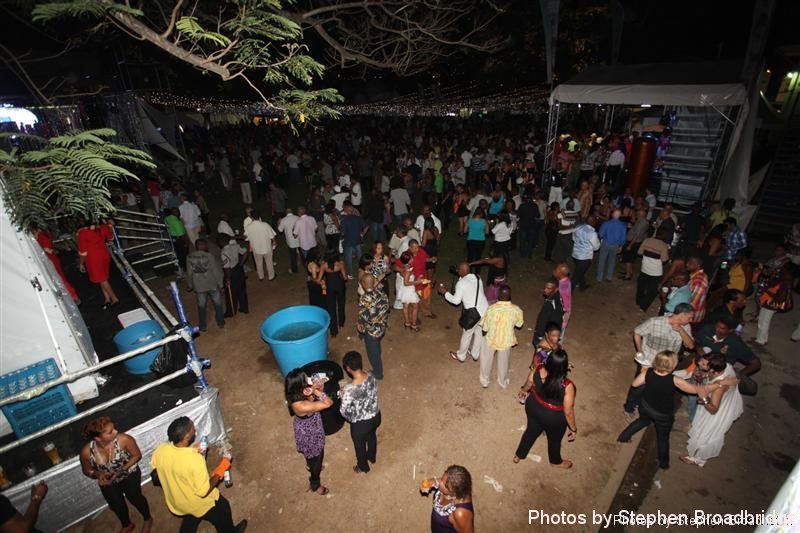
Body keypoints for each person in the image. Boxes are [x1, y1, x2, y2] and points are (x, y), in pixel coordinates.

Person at [617, 350, 734, 470]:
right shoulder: (675, 380)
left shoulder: (648, 372)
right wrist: (720, 384)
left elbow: (635, 384)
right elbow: (697, 390)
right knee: (662, 438)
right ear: (673, 365)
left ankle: (623, 437)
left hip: (645, 406)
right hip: (662, 414)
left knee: (642, 420)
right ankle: (663, 463)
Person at [151, 417, 246, 532]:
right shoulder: (194, 459)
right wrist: (223, 466)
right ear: (187, 436)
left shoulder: (161, 449)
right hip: (197, 502)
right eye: (192, 428)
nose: (195, 429)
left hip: (177, 501)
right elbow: (203, 491)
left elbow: (156, 472)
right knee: (222, 508)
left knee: (191, 517)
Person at [623, 303, 696, 420]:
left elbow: (691, 346)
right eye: (689, 317)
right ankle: (629, 408)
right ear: (682, 315)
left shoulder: (685, 327)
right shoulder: (655, 322)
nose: (691, 320)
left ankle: (643, 406)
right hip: (648, 362)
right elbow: (637, 332)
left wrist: (681, 331)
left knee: (653, 387)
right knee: (639, 386)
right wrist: (640, 351)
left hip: (667, 366)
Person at [79, 416, 152, 533]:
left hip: (129, 473)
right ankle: (127, 525)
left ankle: (148, 519)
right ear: (97, 438)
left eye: (114, 428)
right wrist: (97, 474)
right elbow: (87, 470)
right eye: (110, 432)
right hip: (109, 480)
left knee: (135, 497)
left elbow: (137, 455)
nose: (116, 432)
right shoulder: (87, 452)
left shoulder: (124, 439)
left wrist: (121, 470)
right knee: (116, 504)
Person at [514, 349, 576, 469]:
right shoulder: (567, 386)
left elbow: (528, 383)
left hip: (533, 407)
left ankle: (518, 455)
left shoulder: (538, 369)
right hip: (553, 418)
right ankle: (555, 461)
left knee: (531, 431)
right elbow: (568, 411)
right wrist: (573, 429)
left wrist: (523, 390)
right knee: (554, 440)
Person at [681, 354, 744, 467]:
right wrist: (704, 376)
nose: (699, 363)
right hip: (722, 402)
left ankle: (698, 459)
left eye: (704, 364)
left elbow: (713, 409)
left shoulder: (718, 388)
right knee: (705, 432)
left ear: (713, 371)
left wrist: (704, 398)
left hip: (716, 412)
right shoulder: (725, 366)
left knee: (706, 434)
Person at [284, 370, 333, 495]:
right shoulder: (301, 405)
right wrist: (316, 391)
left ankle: (310, 464)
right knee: (317, 455)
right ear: (300, 385)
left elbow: (312, 400)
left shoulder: (294, 393)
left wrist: (316, 389)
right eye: (306, 380)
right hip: (309, 430)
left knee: (310, 454)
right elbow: (328, 403)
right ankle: (315, 483)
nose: (309, 380)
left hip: (306, 424)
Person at [340, 351, 382, 473]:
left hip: (361, 425)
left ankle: (363, 467)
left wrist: (342, 396)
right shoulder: (371, 375)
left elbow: (344, 413)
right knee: (372, 436)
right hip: (376, 416)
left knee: (359, 447)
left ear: (348, 369)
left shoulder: (349, 390)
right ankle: (372, 457)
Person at [438, 262, 489, 363]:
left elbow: (456, 301)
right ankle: (475, 354)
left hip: (473, 314)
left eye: (458, 269)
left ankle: (461, 356)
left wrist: (445, 293)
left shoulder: (461, 284)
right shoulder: (477, 277)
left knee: (467, 335)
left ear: (461, 271)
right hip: (485, 310)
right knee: (479, 332)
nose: (457, 270)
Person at [478, 285, 524, 389]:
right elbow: (519, 324)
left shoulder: (491, 309)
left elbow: (485, 327)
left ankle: (485, 380)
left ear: (498, 295)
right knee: (504, 363)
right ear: (510, 295)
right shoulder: (516, 310)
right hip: (506, 340)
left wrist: (484, 333)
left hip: (491, 339)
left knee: (486, 360)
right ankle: (502, 381)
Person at [695, 317, 762, 377]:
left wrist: (738, 376)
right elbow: (695, 341)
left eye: (722, 328)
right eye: (717, 326)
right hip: (700, 364)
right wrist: (698, 348)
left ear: (730, 330)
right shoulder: (707, 329)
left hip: (717, 372)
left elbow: (756, 364)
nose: (717, 329)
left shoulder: (735, 343)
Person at [77, 219, 119, 309]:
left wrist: (81, 263)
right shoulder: (103, 227)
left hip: (93, 259)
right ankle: (107, 299)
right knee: (102, 278)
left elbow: (83, 253)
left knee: (102, 279)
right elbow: (111, 238)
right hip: (104, 255)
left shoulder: (83, 233)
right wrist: (110, 227)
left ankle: (114, 299)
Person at [419, 465, 474, 533]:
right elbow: (438, 482)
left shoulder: (460, 513)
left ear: (454, 493)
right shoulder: (451, 482)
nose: (439, 483)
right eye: (442, 478)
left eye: (445, 485)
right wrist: (429, 483)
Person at [186, 238, 225, 332]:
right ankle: (220, 322)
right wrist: (220, 284)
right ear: (202, 246)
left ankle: (203, 325)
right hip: (211, 284)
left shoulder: (189, 257)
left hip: (199, 286)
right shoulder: (209, 256)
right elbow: (216, 271)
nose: (207, 246)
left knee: (201, 306)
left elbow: (189, 273)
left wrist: (190, 285)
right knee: (217, 304)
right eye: (205, 245)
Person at [33, 225, 80, 303]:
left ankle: (73, 296)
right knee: (61, 277)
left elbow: (47, 249)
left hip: (50, 260)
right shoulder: (45, 234)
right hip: (53, 259)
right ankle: (72, 296)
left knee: (60, 278)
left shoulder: (41, 236)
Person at [356, 275, 390, 379]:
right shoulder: (382, 293)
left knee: (372, 353)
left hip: (371, 330)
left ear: (363, 284)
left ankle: (378, 373)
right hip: (381, 327)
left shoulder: (364, 298)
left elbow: (365, 316)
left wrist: (359, 323)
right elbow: (386, 309)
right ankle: (377, 352)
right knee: (376, 346)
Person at [635, 230, 670, 312]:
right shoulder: (663, 245)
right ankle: (643, 306)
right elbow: (664, 259)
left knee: (641, 285)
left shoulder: (647, 240)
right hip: (655, 272)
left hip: (644, 268)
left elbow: (639, 252)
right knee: (653, 290)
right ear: (664, 235)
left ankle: (638, 301)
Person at [218, 235, 249, 316]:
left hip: (231, 272)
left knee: (231, 293)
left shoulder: (223, 252)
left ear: (221, 242)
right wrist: (241, 263)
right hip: (239, 269)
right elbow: (245, 252)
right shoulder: (235, 246)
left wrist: (228, 278)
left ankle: (231, 312)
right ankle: (244, 308)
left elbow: (227, 267)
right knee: (241, 289)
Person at [243, 211, 277, 281]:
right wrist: (274, 241)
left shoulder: (249, 227)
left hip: (256, 249)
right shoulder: (265, 225)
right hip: (267, 247)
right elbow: (272, 235)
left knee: (258, 263)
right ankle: (271, 276)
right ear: (259, 217)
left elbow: (246, 238)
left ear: (251, 217)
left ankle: (261, 277)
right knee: (269, 262)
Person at [321, 250, 347, 337]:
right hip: (340, 286)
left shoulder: (324, 265)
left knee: (331, 308)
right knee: (341, 305)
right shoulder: (340, 264)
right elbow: (345, 277)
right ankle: (341, 324)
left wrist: (322, 282)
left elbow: (318, 279)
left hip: (330, 287)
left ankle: (334, 332)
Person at [596, 209, 627, 283]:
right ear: (620, 216)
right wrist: (621, 246)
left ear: (612, 214)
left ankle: (599, 278)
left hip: (606, 243)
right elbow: (623, 238)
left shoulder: (606, 223)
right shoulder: (622, 225)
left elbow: (600, 234)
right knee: (612, 261)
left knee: (602, 260)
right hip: (615, 245)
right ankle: (609, 277)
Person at [533, 278, 564, 347]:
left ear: (556, 289)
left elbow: (543, 321)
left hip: (549, 332)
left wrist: (539, 336)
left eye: (549, 288)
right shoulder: (558, 297)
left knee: (541, 349)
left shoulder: (550, 304)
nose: (545, 290)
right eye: (545, 287)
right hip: (553, 330)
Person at [571, 215, 600, 289]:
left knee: (580, 271)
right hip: (584, 257)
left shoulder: (578, 227)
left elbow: (573, 238)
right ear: (593, 222)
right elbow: (596, 247)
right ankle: (567, 293)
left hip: (575, 254)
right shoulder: (592, 233)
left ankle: (582, 286)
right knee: (576, 276)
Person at [341, 203, 368, 279]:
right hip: (357, 240)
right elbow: (366, 227)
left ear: (347, 211)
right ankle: (362, 270)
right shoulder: (358, 218)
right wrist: (362, 234)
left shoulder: (345, 220)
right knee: (360, 257)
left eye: (345, 209)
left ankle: (350, 274)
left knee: (349, 258)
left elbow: (343, 233)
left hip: (348, 242)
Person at [621, 208, 649, 280]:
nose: (636, 215)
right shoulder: (644, 221)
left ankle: (627, 275)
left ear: (641, 215)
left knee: (628, 259)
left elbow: (636, 235)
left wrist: (630, 245)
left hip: (633, 243)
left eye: (637, 214)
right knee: (631, 259)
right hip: (636, 242)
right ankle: (629, 272)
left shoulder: (641, 223)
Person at [397, 251, 421, 331]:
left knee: (406, 306)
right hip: (409, 290)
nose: (413, 259)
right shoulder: (408, 270)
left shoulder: (404, 267)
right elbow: (406, 283)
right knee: (415, 306)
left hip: (404, 290)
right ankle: (413, 324)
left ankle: (407, 323)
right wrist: (416, 282)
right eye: (411, 258)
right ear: (408, 260)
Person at [516, 192, 541, 259]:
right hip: (532, 225)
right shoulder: (535, 205)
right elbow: (538, 215)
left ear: (525, 199)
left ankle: (522, 254)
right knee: (530, 241)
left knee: (522, 241)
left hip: (523, 225)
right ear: (532, 199)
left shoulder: (522, 205)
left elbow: (518, 215)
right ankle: (529, 254)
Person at [687, 255, 710, 324]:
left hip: (692, 316)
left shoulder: (699, 281)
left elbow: (693, 304)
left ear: (698, 265)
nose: (687, 264)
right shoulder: (698, 275)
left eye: (690, 263)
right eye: (688, 262)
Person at [277, 208, 300, 274]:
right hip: (299, 239)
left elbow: (280, 230)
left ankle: (294, 269)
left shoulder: (284, 220)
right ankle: (299, 262)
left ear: (286, 212)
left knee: (293, 256)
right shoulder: (297, 217)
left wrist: (278, 223)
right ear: (292, 211)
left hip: (291, 241)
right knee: (299, 252)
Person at [553, 264, 572, 334]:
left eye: (556, 270)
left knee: (559, 326)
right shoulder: (566, 280)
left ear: (561, 274)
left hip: (563, 309)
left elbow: (563, 300)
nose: (554, 271)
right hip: (565, 308)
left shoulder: (563, 287)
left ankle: (559, 338)